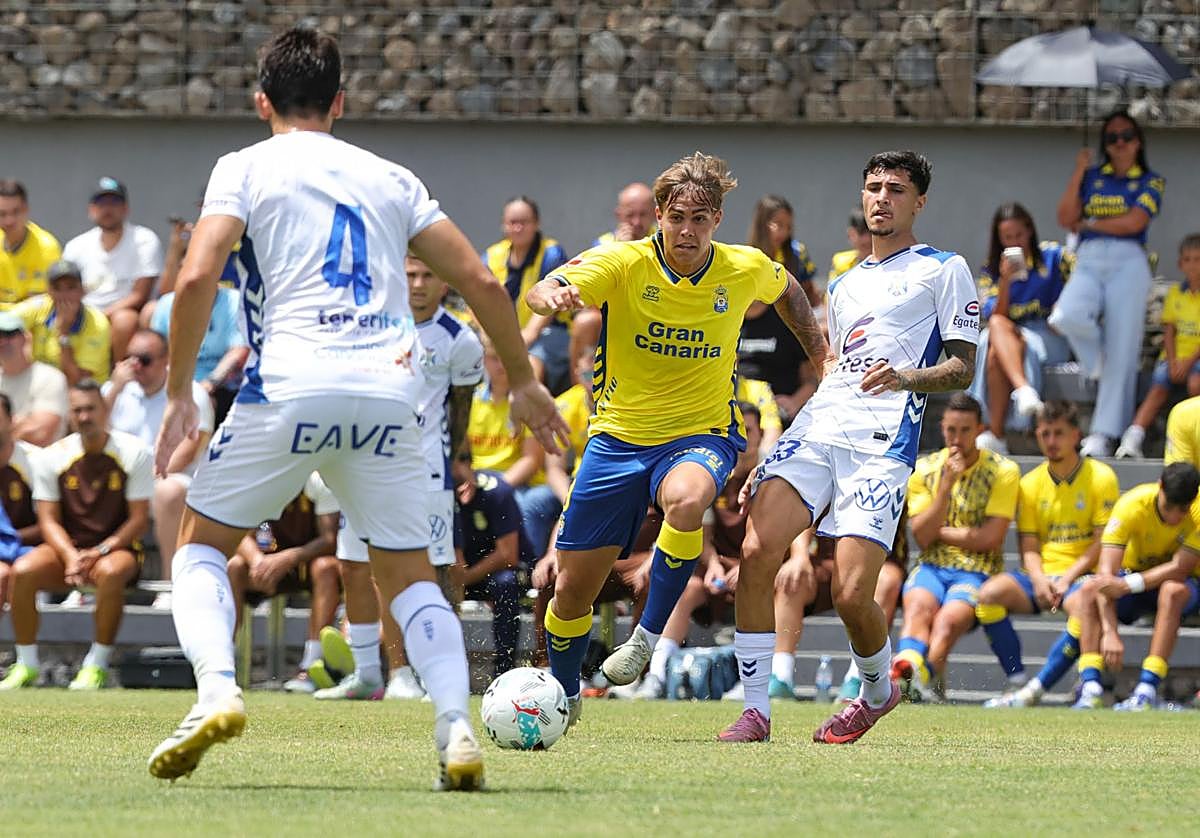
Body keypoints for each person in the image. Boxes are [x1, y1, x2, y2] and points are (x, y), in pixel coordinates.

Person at [146, 26, 565, 790]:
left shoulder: (241, 167)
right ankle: (456, 726)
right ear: (340, 101)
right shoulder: (390, 177)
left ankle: (215, 691)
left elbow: (200, 272)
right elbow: (481, 281)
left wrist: (179, 391)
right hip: (389, 396)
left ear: (260, 99)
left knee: (198, 546)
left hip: (291, 386)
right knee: (409, 579)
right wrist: (524, 378)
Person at [525, 151, 829, 731]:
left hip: (702, 434)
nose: (687, 230)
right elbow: (549, 287)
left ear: (717, 220)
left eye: (701, 218)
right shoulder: (623, 262)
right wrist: (553, 298)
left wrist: (821, 354)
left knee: (688, 502)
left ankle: (646, 638)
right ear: (659, 215)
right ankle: (562, 696)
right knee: (570, 592)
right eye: (678, 216)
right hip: (616, 441)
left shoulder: (742, 267)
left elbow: (788, 289)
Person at [722, 150, 978, 745]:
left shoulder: (944, 268)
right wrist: (776, 451)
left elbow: (962, 369)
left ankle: (877, 690)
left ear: (919, 201)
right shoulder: (842, 282)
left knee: (851, 592)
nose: (881, 198)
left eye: (895, 188)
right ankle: (756, 711)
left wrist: (906, 376)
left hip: (882, 440)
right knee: (758, 548)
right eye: (873, 188)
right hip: (821, 425)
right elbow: (836, 370)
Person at [314, 254, 483, 702]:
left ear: (444, 282)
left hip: (423, 472)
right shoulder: (373, 326)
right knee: (353, 565)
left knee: (433, 572)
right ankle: (370, 674)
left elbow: (459, 407)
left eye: (429, 274)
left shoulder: (458, 339)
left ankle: (423, 674)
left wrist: (456, 456)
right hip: (364, 465)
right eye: (410, 274)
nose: (419, 283)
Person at [0, 379, 152, 691]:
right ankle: (26, 663)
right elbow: (48, 520)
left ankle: (96, 664)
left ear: (105, 410)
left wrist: (99, 552)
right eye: (78, 410)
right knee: (23, 571)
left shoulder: (134, 452)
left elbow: (138, 521)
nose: (85, 417)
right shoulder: (52, 457)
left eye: (91, 409)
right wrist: (71, 556)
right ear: (70, 415)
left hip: (116, 549)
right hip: (68, 551)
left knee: (111, 573)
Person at [980, 400, 1120, 708]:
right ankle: (1016, 679)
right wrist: (1041, 580)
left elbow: (1102, 542)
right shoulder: (1030, 484)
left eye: (1059, 433)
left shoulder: (1101, 476)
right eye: (1045, 434)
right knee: (988, 594)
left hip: (1081, 576)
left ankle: (1085, 685)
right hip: (1043, 576)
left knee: (1086, 602)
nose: (1052, 441)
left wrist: (1066, 579)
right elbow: (1028, 546)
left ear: (1076, 436)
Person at [1050, 110, 1164, 457]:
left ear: (1138, 141)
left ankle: (1102, 434)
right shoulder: (1092, 176)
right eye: (1111, 137)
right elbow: (1066, 218)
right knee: (1066, 316)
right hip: (1090, 258)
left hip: (1129, 260)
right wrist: (1079, 171)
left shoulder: (1151, 180)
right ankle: (1096, 361)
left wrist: (1090, 223)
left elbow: (1135, 222)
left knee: (1124, 347)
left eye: (1126, 136)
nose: (1118, 143)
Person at [891, 393, 1019, 700]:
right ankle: (912, 676)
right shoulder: (924, 470)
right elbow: (922, 537)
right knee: (919, 608)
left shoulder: (1003, 471)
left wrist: (939, 531)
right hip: (931, 566)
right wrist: (945, 488)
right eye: (951, 430)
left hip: (978, 571)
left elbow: (990, 538)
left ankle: (911, 679)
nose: (957, 439)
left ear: (980, 430)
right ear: (942, 428)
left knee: (948, 620)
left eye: (965, 430)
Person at [634, 402, 763, 700]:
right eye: (738, 430)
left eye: (750, 431)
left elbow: (774, 534)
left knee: (758, 589)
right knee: (685, 589)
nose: (743, 437)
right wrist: (714, 564)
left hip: (759, 567)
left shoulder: (770, 474)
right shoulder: (714, 470)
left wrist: (748, 568)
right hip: (716, 569)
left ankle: (751, 681)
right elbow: (703, 532)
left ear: (760, 434)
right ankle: (656, 672)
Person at [1069, 463, 1200, 710]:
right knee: (1087, 589)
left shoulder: (1199, 513)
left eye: (1182, 510)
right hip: (1135, 583)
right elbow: (1105, 575)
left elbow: (1179, 568)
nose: (1174, 517)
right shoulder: (1132, 504)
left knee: (1173, 590)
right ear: (1160, 486)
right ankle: (1091, 687)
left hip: (1181, 586)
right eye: (1168, 506)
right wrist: (1110, 632)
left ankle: (1147, 689)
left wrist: (1127, 585)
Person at [103, 329, 214, 605]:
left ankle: (167, 584)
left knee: (166, 490)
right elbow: (92, 437)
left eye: (144, 359)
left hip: (176, 481)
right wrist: (113, 390)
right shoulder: (114, 392)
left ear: (167, 360)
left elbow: (188, 452)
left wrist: (143, 481)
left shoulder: (192, 394)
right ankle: (89, 579)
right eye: (129, 359)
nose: (135, 366)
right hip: (125, 482)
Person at [969, 203, 1072, 454]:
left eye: (1019, 235)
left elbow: (1085, 280)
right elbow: (997, 315)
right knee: (994, 333)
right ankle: (1024, 390)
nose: (1016, 242)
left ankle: (996, 433)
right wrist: (1005, 281)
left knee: (993, 341)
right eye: (1008, 237)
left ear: (1030, 231)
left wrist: (1068, 304)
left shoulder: (1054, 256)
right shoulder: (990, 271)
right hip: (1009, 335)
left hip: (1050, 334)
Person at [226, 475, 341, 694]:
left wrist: (287, 559)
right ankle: (222, 664)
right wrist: (258, 562)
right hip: (264, 561)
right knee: (235, 567)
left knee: (325, 568)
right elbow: (236, 532)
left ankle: (310, 666)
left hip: (307, 561)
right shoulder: (256, 476)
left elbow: (329, 539)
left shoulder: (319, 480)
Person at [1116, 234, 1200, 458]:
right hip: (1174, 358)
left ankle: (1193, 436)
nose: (1193, 265)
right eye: (1188, 259)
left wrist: (1188, 363)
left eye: (1198, 259)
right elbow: (1169, 330)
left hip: (1196, 358)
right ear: (1180, 264)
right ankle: (1133, 438)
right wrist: (1173, 362)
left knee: (1195, 384)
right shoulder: (1175, 294)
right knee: (1158, 387)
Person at [60, 178, 162, 361]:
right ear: (91, 209)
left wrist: (100, 316)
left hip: (122, 314)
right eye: (101, 203)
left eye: (114, 202)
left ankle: (118, 375)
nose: (107, 209)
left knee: (125, 320)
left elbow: (140, 295)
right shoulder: (76, 246)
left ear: (126, 208)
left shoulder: (145, 240)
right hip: (82, 313)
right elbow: (66, 289)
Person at [740, 194, 821, 421]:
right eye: (777, 224)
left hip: (787, 321)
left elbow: (811, 294)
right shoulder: (748, 258)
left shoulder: (796, 254)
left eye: (787, 226)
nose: (782, 232)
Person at [483, 196, 571, 394]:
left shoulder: (552, 253)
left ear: (536, 224)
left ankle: (526, 418)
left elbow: (550, 304)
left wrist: (524, 338)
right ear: (504, 225)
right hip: (505, 336)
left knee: (530, 366)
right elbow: (476, 298)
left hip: (549, 333)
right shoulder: (491, 256)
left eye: (524, 222)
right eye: (513, 223)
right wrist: (487, 337)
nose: (518, 228)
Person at [14, 260, 111, 385]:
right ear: (48, 291)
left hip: (80, 394)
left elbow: (77, 381)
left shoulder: (98, 323)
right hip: (39, 384)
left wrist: (63, 334)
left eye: (71, 287)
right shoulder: (40, 306)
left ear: (82, 290)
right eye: (57, 288)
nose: (64, 295)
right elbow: (6, 321)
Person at [0, 310, 68, 445]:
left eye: (9, 334)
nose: (2, 341)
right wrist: (20, 423)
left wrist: (5, 429)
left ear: (25, 337)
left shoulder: (50, 377)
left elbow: (41, 434)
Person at [0, 392, 39, 616]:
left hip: (30, 549)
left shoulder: (36, 461)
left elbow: (49, 523)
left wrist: (8, 541)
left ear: (12, 421)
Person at [0, 179, 61, 307]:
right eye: (2, 214)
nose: (9, 220)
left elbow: (40, 307)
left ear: (26, 209)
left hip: (32, 321)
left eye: (16, 212)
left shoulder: (47, 248)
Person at [592, 182, 656, 247]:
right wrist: (621, 247)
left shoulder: (664, 239)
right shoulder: (602, 245)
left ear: (655, 214)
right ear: (618, 215)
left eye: (643, 214)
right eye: (629, 215)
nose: (636, 222)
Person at [829, 209, 871, 280]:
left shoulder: (892, 263)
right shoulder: (841, 262)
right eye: (861, 232)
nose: (867, 239)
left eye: (871, 232)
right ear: (850, 233)